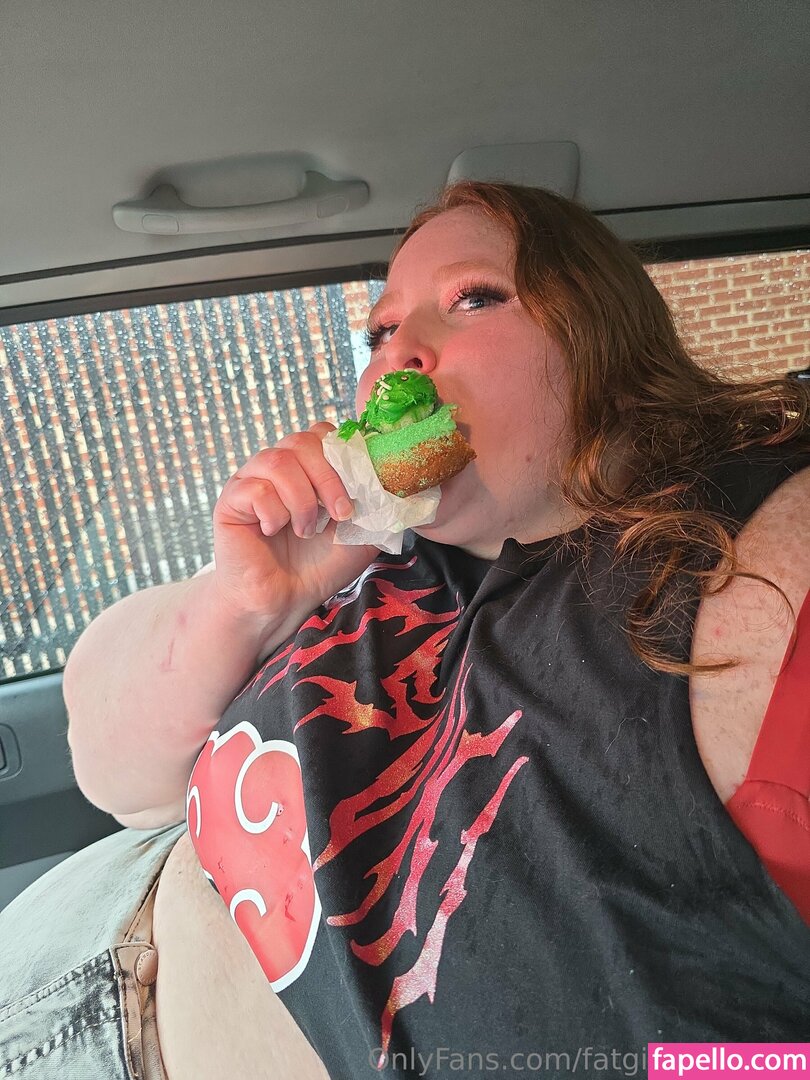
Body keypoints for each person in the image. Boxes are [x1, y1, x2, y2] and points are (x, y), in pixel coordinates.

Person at [2, 181, 809, 1080]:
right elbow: (112, 772)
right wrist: (249, 602)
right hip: (80, 920)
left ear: (607, 341)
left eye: (474, 298)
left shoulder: (737, 568)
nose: (399, 356)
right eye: (381, 329)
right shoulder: (368, 546)